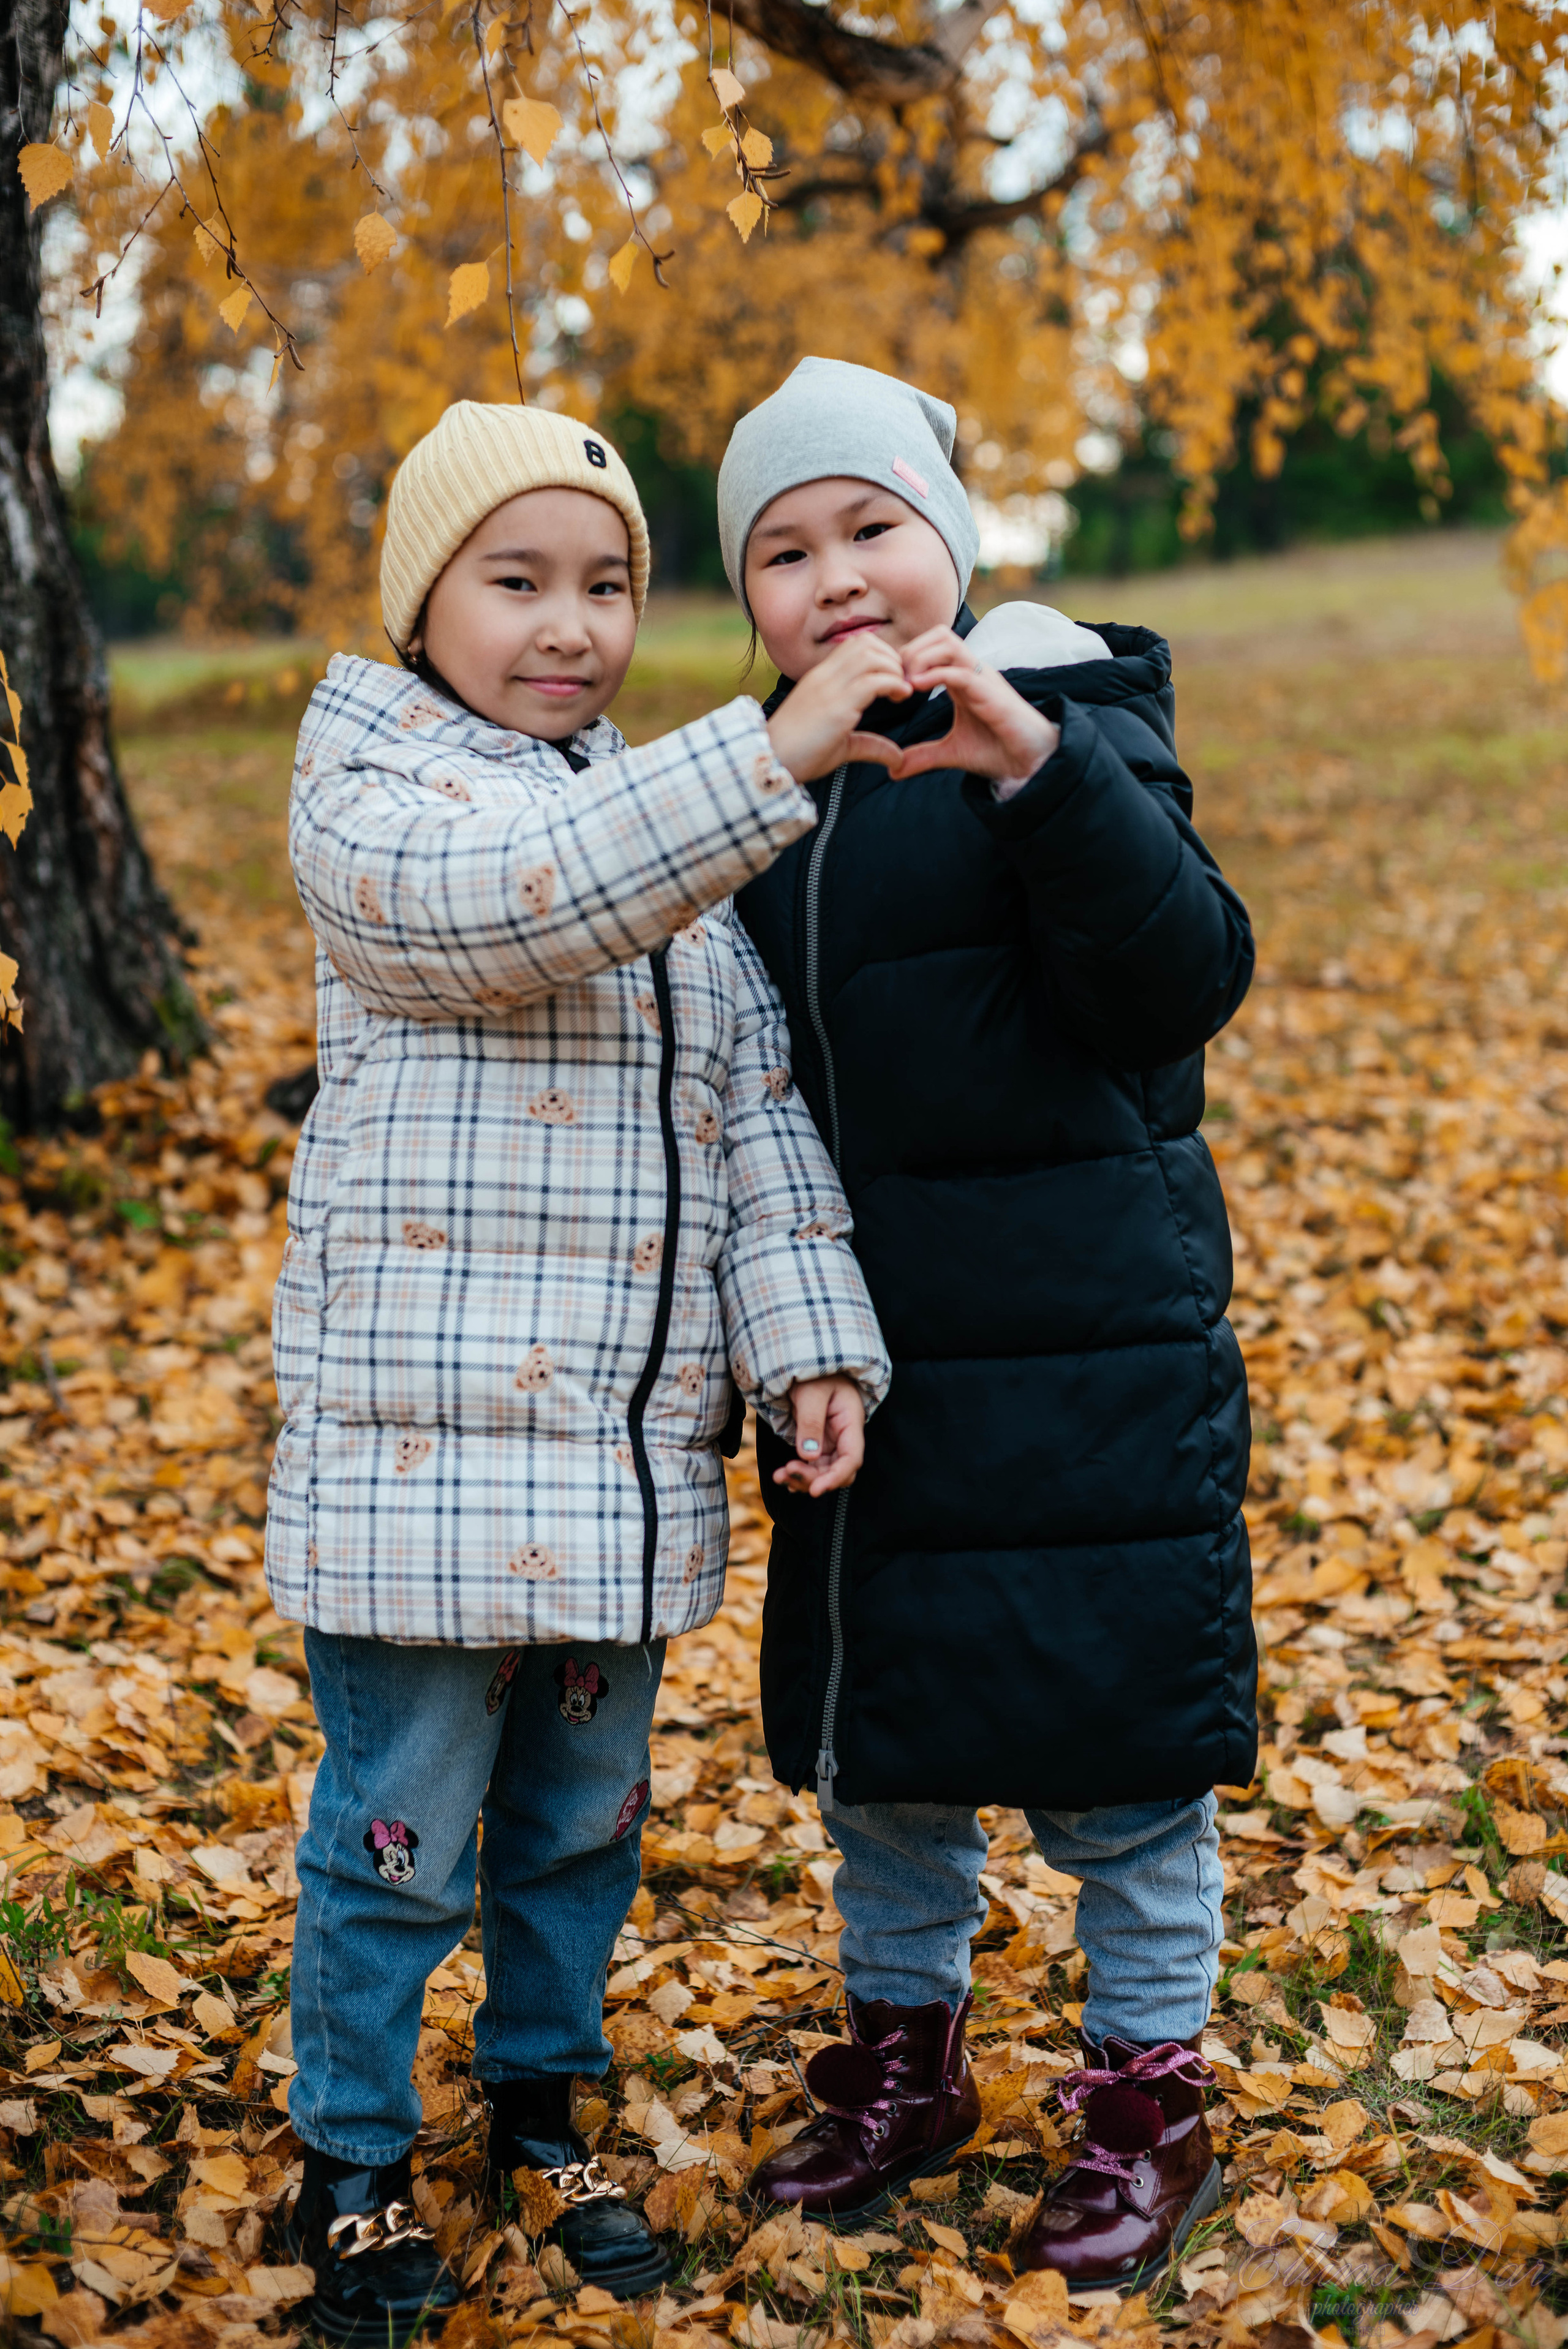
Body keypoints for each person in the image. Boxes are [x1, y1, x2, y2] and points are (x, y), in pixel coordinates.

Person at [266, 401, 894, 2340]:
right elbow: (512, 906)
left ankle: (546, 2099)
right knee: (398, 1846)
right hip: (424, 1476)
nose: (572, 625)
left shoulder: (661, 836)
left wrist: (811, 1343)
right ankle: (354, 2153)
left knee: (573, 1835)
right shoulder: (376, 782)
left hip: (612, 1480)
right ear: (423, 602)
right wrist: (766, 754)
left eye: (610, 585)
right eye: (517, 580)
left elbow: (760, 1120)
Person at [717, 358, 1258, 2288]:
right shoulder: (760, 782)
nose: (835, 577)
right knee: (898, 1747)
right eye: (785, 551)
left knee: (1120, 1747)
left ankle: (1149, 2082)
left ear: (950, 530)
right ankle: (906, 2049)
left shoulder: (1078, 710)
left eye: (870, 526)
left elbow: (1182, 974)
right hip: (870, 1359)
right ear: (748, 597)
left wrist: (1038, 767)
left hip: (1091, 1338)